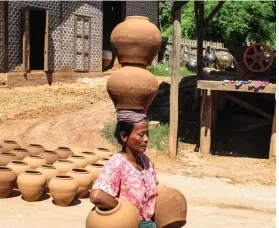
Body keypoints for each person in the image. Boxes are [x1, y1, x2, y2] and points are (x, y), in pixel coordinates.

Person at [90, 110, 158, 228]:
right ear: (124, 136)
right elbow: (97, 196)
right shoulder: (117, 164)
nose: (146, 139)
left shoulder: (145, 161)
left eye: (147, 134)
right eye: (141, 135)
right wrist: (126, 213)